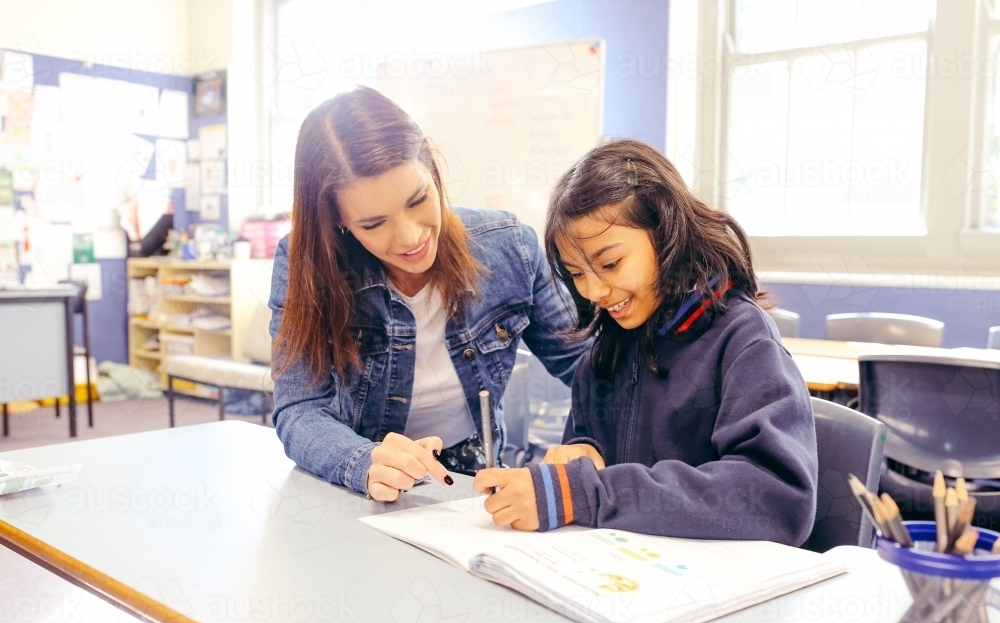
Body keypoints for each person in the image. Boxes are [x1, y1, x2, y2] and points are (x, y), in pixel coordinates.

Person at [473, 139, 818, 546]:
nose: (595, 291)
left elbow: (777, 498)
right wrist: (585, 451)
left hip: (717, 586)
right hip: (630, 573)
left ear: (666, 232)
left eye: (610, 264)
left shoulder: (744, 341)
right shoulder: (605, 353)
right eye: (577, 274)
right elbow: (596, 464)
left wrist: (587, 492)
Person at [269, 87, 590, 503]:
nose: (411, 237)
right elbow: (300, 409)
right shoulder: (306, 265)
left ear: (432, 167)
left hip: (475, 472)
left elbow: (590, 368)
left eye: (418, 199)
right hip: (364, 480)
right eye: (373, 223)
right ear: (337, 222)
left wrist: (592, 443)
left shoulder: (510, 246)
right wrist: (361, 461)